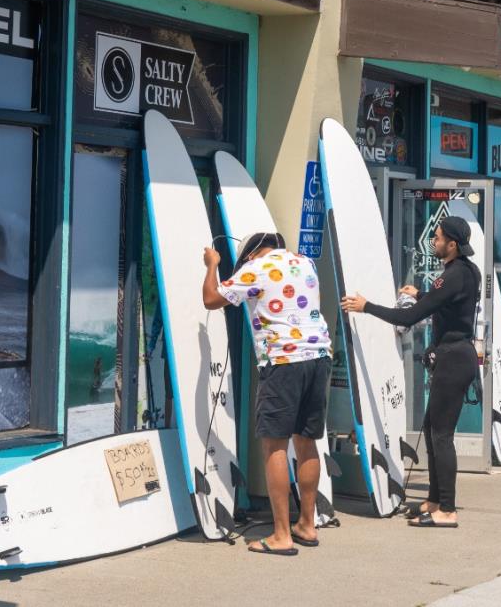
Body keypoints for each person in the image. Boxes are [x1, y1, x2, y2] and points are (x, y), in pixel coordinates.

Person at [340, 215, 480, 529]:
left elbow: (412, 317)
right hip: (457, 355)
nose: (434, 241)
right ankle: (434, 499)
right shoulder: (466, 271)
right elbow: (444, 304)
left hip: (454, 359)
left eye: (439, 237)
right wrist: (420, 294)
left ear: (452, 244)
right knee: (432, 431)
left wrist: (367, 307)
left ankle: (447, 509)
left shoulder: (454, 274)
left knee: (442, 436)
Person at [201, 232, 332, 556]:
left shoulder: (257, 267)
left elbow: (212, 299)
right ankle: (307, 524)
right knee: (306, 441)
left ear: (251, 254)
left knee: (274, 444)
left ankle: (281, 535)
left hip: (283, 361)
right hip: (318, 358)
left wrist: (212, 266)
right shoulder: (306, 263)